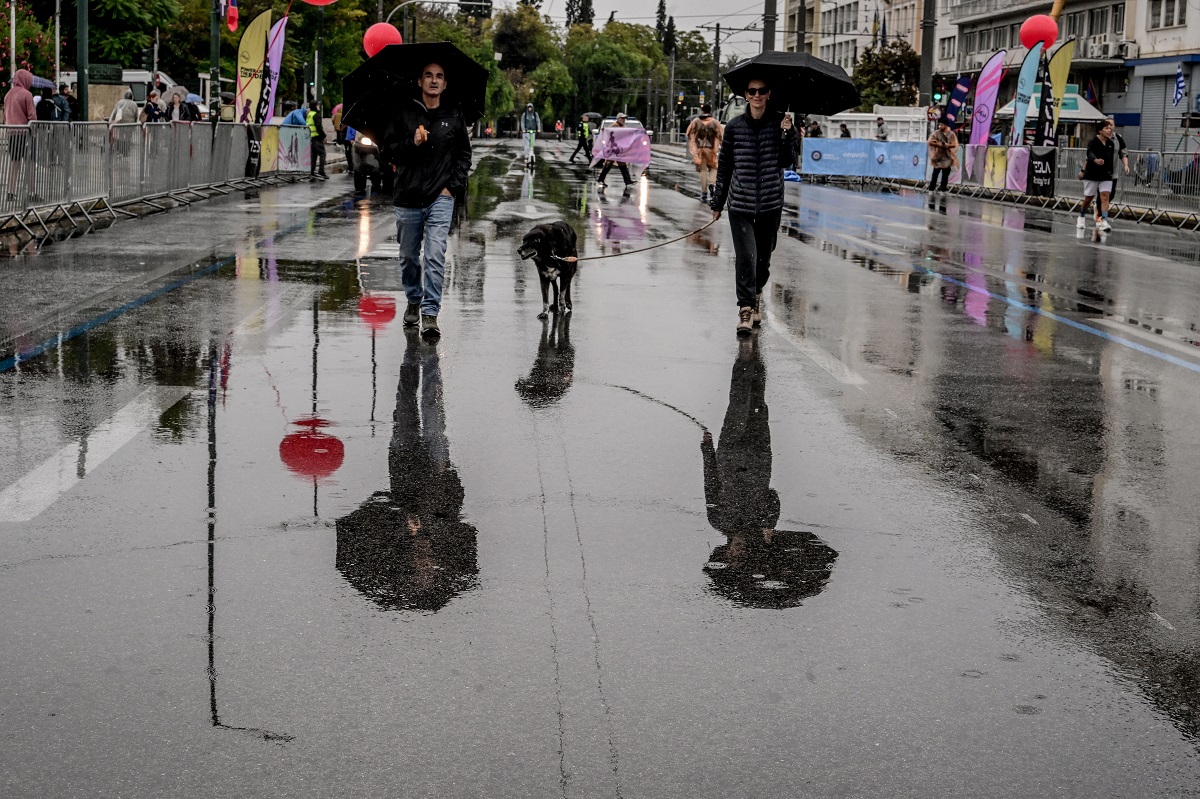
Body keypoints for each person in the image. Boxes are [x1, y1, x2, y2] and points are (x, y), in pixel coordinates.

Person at [380, 61, 472, 339]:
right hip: (407, 197)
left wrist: (451, 187)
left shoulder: (453, 115)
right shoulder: (403, 112)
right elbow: (388, 152)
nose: (434, 80)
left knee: (434, 255)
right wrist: (413, 142)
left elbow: (464, 155)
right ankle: (414, 298)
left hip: (440, 197)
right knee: (409, 258)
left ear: (445, 84)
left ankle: (430, 313)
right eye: (428, 75)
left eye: (439, 76)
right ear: (420, 81)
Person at [710, 77, 796, 336]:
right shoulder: (734, 126)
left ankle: (756, 293)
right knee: (746, 257)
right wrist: (717, 202)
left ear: (769, 94)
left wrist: (787, 134)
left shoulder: (781, 123)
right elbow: (725, 166)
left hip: (770, 203)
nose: (757, 95)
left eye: (762, 90)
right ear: (745, 95)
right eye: (752, 91)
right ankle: (746, 308)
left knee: (763, 259)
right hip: (741, 203)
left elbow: (788, 161)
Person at [1078, 118, 1117, 233]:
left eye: (1110, 128)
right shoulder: (1093, 142)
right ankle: (1081, 216)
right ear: (1100, 130)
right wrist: (1095, 160)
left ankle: (1103, 220)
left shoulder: (1111, 144)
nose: (1109, 130)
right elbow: (1089, 154)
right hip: (1092, 174)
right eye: (1106, 128)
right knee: (1089, 198)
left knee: (1105, 196)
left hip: (1106, 175)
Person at [4, 69, 36, 199]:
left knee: (14, 163)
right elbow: (32, 116)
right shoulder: (27, 94)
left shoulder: (8, 94)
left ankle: (10, 191)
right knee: (30, 163)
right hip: (25, 132)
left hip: (11, 132)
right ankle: (31, 192)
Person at [686, 104, 722, 203]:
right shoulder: (715, 122)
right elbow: (721, 135)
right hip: (711, 149)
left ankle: (704, 192)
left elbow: (689, 133)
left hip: (699, 150)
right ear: (710, 111)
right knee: (713, 168)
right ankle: (712, 183)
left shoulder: (696, 121)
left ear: (702, 110)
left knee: (702, 170)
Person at [597, 112, 634, 188]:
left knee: (621, 165)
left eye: (624, 119)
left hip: (617, 149)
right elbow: (608, 131)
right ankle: (601, 179)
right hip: (613, 149)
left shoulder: (622, 127)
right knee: (610, 164)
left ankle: (628, 181)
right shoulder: (615, 125)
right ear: (618, 119)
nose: (624, 120)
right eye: (622, 118)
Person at [926, 118, 958, 192]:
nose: (940, 126)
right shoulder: (936, 133)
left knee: (945, 173)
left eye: (942, 125)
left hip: (947, 156)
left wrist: (947, 145)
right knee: (935, 173)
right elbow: (930, 142)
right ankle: (931, 189)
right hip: (938, 156)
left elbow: (954, 144)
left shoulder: (951, 134)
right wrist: (938, 144)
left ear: (946, 126)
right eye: (939, 125)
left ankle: (943, 189)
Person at [1108, 125, 1130, 207]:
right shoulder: (1099, 138)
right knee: (1103, 194)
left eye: (1111, 125)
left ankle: (1100, 209)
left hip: (1113, 172)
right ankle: (1100, 211)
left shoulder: (1118, 138)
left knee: (1111, 194)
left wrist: (1126, 165)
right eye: (1107, 126)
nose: (1109, 127)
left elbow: (1124, 153)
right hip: (1101, 172)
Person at [306, 102, 328, 179]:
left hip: (311, 138)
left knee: (314, 155)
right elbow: (319, 127)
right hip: (317, 137)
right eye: (317, 105)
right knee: (322, 154)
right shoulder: (316, 115)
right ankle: (321, 171)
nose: (318, 106)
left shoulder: (309, 114)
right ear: (315, 106)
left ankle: (312, 171)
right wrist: (324, 136)